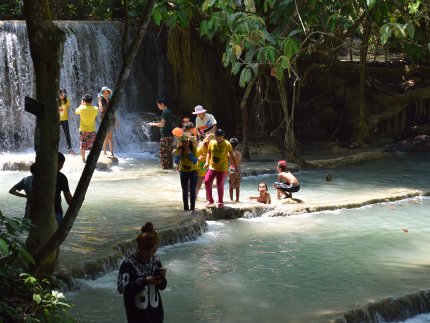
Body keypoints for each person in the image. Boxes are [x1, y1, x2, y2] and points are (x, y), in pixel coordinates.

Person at [117, 222, 167, 323]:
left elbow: (162, 286)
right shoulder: (128, 264)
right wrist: (144, 281)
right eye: (148, 251)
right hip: (137, 317)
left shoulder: (155, 261)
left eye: (153, 251)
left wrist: (160, 280)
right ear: (140, 248)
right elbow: (122, 289)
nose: (151, 254)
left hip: (156, 315)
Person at [204, 129, 238, 208]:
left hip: (222, 168)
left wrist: (236, 166)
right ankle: (210, 200)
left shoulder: (227, 144)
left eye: (220, 137)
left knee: (219, 184)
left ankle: (220, 201)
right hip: (212, 167)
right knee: (206, 181)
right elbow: (209, 153)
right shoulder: (212, 142)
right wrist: (206, 162)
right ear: (215, 136)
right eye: (217, 137)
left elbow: (232, 155)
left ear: (223, 136)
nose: (218, 138)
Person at [175, 134, 198, 212]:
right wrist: (179, 155)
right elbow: (176, 162)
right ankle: (185, 208)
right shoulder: (179, 149)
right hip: (183, 172)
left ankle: (192, 208)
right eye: (183, 141)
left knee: (192, 190)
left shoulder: (194, 149)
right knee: (184, 190)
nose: (184, 143)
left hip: (193, 172)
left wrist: (189, 153)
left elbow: (195, 162)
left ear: (189, 142)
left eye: (186, 141)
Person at [148, 98, 174, 169]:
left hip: (165, 137)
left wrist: (152, 124)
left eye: (158, 105)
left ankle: (165, 171)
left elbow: (162, 124)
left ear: (162, 104)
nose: (158, 107)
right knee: (169, 155)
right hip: (169, 136)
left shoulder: (165, 112)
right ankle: (170, 169)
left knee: (164, 155)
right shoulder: (169, 111)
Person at [74, 94, 99, 163]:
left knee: (82, 145)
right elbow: (97, 113)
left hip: (83, 130)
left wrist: (81, 105)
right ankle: (91, 159)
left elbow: (76, 112)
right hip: (92, 130)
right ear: (91, 101)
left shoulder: (81, 108)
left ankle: (83, 159)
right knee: (92, 145)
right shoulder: (95, 109)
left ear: (84, 101)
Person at [98, 86, 119, 156]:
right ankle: (104, 152)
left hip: (111, 120)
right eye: (104, 93)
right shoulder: (101, 100)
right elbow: (101, 110)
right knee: (106, 136)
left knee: (110, 137)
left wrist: (117, 121)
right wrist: (99, 101)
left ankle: (112, 152)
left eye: (107, 93)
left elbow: (113, 111)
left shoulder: (110, 100)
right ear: (102, 94)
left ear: (109, 94)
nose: (106, 94)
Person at [55, 152, 73, 225]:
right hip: (56, 210)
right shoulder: (61, 177)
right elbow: (68, 198)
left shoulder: (38, 175)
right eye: (62, 164)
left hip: (38, 210)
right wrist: (74, 207)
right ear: (60, 163)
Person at [195, 133, 215, 198]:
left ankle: (206, 198)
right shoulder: (204, 146)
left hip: (204, 164)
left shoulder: (206, 144)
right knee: (202, 183)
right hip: (202, 165)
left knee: (205, 183)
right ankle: (206, 198)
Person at [58, 88, 74, 154]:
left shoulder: (67, 101)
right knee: (55, 134)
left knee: (67, 134)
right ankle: (54, 148)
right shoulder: (56, 101)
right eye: (60, 94)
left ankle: (70, 148)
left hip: (65, 120)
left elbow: (67, 110)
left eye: (63, 94)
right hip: (57, 120)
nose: (62, 95)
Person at [228, 137, 242, 202]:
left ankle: (231, 199)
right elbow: (239, 162)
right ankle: (237, 199)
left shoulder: (228, 153)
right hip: (238, 169)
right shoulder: (239, 153)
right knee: (237, 185)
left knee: (231, 185)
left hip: (231, 168)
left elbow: (227, 162)